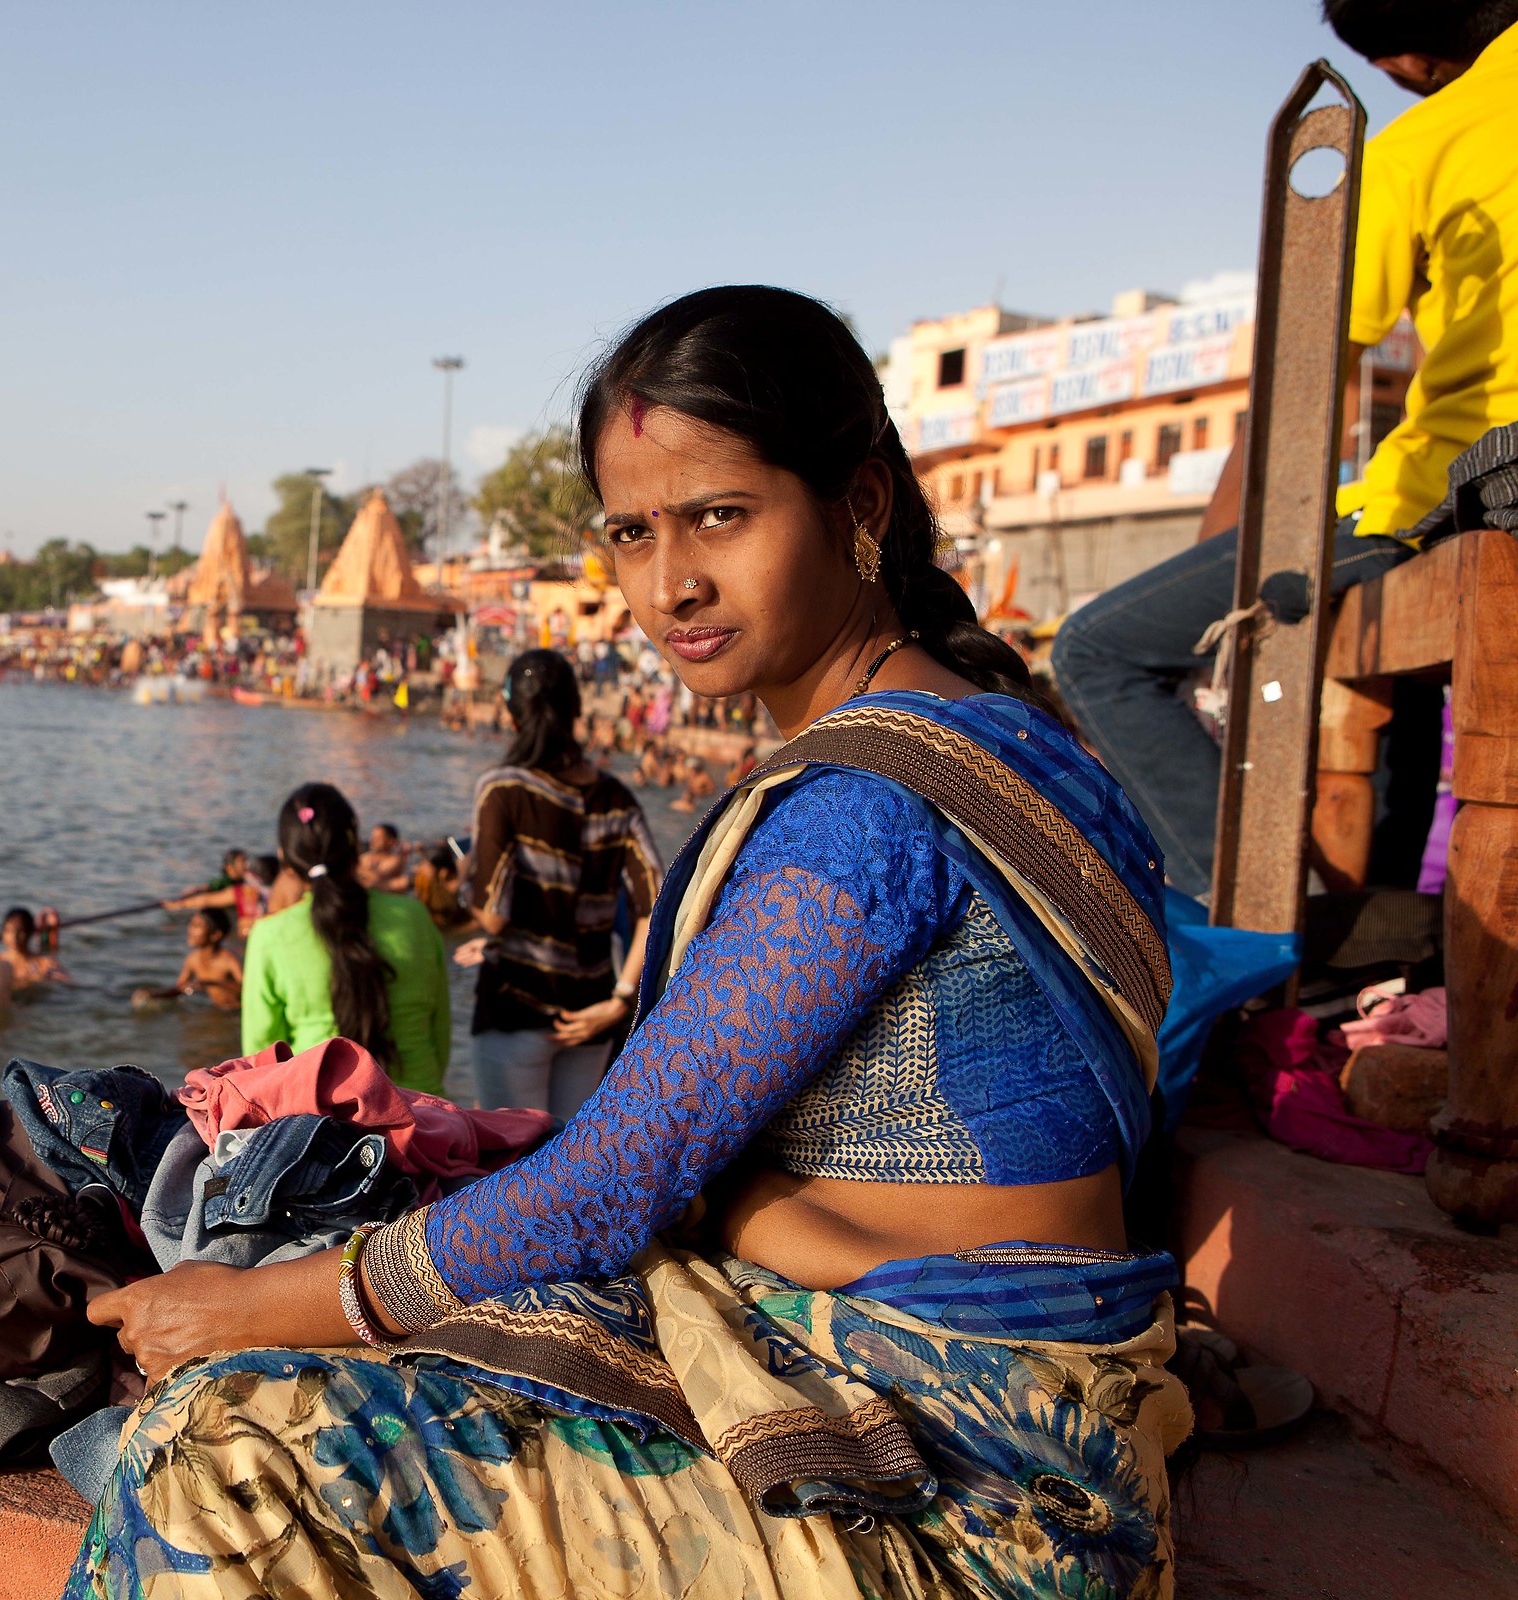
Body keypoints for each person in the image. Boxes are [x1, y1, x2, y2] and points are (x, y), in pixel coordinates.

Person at [76, 287, 1187, 1600]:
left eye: (722, 515)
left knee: (212, 1454)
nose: (672, 583)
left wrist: (240, 1307)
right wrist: (746, 1209)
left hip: (976, 1471)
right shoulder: (1006, 736)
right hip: (985, 1369)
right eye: (631, 532)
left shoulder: (868, 810)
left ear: (861, 503)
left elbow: (613, 1185)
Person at [1054, 0, 1518, 898]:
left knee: (1095, 651)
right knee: (1379, 646)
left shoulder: (1430, 143)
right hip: (1463, 504)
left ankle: (1257, 912)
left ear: (1407, 63)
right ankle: (1371, 916)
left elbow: (1293, 398)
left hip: (1457, 491)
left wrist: (1212, 609)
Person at [453, 648, 661, 1119]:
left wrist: (464, 881)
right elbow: (659, 904)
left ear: (511, 717)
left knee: (510, 1168)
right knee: (570, 1173)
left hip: (516, 1008)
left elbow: (494, 915)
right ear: (575, 712)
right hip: (590, 1014)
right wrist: (621, 999)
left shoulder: (503, 788)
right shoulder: (617, 798)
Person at [239, 783, 452, 1096]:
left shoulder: (269, 935)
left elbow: (261, 1061)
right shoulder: (414, 918)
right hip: (423, 1121)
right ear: (356, 848)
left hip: (318, 1129)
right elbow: (439, 1035)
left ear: (286, 860)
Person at [132, 908, 244, 1010]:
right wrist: (154, 994)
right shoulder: (193, 959)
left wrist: (212, 982)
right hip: (217, 1010)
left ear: (215, 935)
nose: (190, 929)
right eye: (191, 924)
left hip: (236, 1012)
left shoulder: (229, 960)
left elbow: (248, 990)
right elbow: (180, 989)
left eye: (197, 926)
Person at [0, 907, 70, 988]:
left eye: (20, 931)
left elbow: (68, 985)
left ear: (30, 932)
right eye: (9, 931)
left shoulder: (44, 964)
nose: (14, 937)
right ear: (3, 933)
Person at [355, 821, 412, 892]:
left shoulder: (395, 860)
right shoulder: (365, 857)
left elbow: (376, 878)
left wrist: (353, 867)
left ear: (391, 841)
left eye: (378, 838)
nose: (373, 841)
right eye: (373, 837)